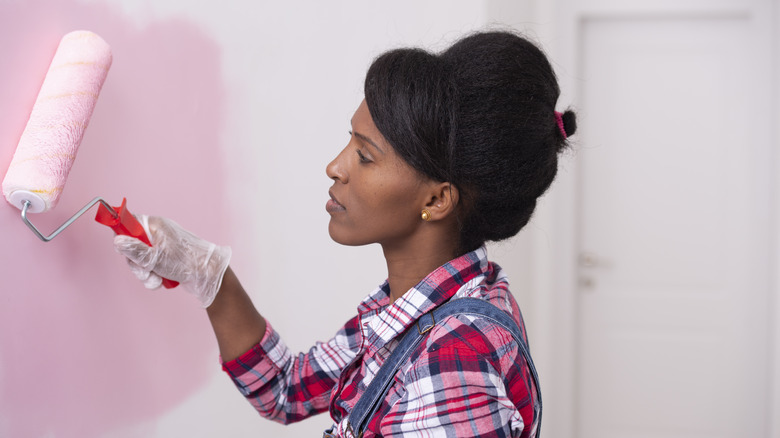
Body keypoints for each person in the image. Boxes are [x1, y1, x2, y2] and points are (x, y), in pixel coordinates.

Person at [114, 30, 576, 438]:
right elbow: (286, 390)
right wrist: (210, 275)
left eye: (366, 156)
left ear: (436, 200)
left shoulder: (452, 359)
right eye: (350, 143)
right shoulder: (418, 308)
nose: (336, 167)